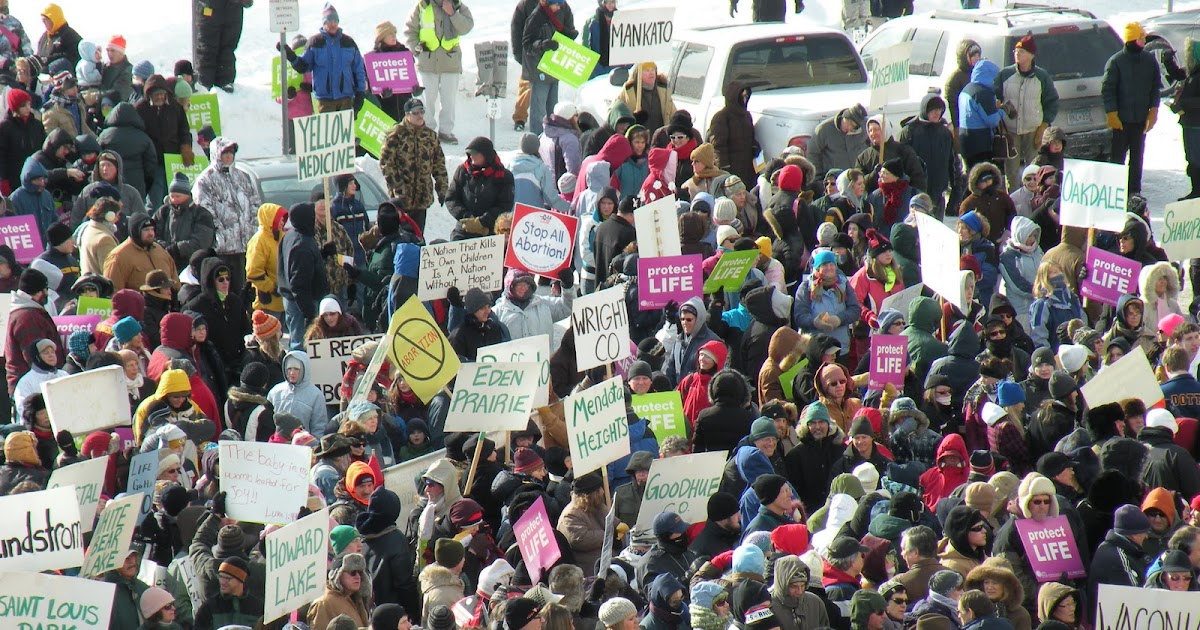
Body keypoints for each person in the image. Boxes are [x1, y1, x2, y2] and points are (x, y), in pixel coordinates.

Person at [192, 137, 260, 290]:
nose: (229, 156)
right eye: (224, 152)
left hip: (246, 245)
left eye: (231, 152)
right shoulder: (205, 180)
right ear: (216, 154)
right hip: (222, 248)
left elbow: (255, 204)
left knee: (246, 288)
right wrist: (221, 234)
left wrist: (252, 229)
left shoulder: (243, 177)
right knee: (226, 288)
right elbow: (205, 212)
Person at [403, 0, 474, 144]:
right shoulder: (422, 6)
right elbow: (410, 31)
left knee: (448, 101)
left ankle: (446, 131)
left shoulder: (457, 5)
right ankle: (426, 130)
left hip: (450, 62)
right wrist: (417, 51)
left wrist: (453, 14)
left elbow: (466, 27)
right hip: (427, 63)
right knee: (427, 100)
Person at [1102, 23, 1162, 194]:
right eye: (1141, 37)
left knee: (1137, 159)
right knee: (1118, 159)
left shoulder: (1149, 60)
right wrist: (1112, 113)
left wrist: (1153, 109)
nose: (1144, 40)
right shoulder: (1116, 62)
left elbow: (1155, 87)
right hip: (1121, 121)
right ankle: (1115, 192)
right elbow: (1108, 90)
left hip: (1141, 120)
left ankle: (1134, 192)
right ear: (1132, 39)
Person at [993, 36, 1059, 190]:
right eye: (1016, 51)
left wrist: (1043, 127)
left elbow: (1052, 102)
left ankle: (1035, 199)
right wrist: (998, 111)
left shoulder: (1041, 76)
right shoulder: (1005, 74)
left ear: (1031, 55)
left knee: (1034, 169)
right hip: (1010, 131)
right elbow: (995, 96)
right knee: (1011, 172)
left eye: (1021, 51)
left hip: (1033, 130)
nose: (1017, 54)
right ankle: (1014, 199)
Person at [379, 98, 448, 234]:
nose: (419, 115)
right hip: (401, 200)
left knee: (418, 236)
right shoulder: (395, 135)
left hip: (422, 197)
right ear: (407, 115)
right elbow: (386, 164)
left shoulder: (430, 136)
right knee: (401, 236)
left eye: (421, 111)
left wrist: (442, 188)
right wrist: (399, 188)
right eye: (415, 112)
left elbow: (439, 164)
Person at [282, 4, 367, 113]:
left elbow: (358, 70)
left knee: (346, 125)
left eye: (335, 21)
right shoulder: (315, 42)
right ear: (324, 23)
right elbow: (303, 66)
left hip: (346, 98)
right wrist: (291, 56)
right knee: (328, 125)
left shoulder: (349, 42)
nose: (333, 24)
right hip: (324, 101)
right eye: (329, 21)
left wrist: (360, 94)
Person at [520, 0, 578, 136]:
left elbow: (565, 32)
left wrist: (570, 35)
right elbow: (527, 43)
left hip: (553, 67)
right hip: (539, 69)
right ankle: (537, 139)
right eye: (556, 4)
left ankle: (552, 139)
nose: (558, 7)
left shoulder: (559, 13)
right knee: (539, 110)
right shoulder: (536, 17)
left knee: (553, 109)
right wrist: (542, 45)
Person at [135, 74, 192, 203]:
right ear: (150, 95)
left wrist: (186, 147)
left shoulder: (175, 107)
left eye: (162, 94)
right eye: (157, 94)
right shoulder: (140, 109)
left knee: (174, 196)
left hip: (174, 159)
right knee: (155, 199)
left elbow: (184, 130)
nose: (160, 97)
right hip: (153, 160)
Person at [278, 203, 327, 349]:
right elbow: (299, 283)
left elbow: (302, 266)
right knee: (301, 345)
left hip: (291, 298)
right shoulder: (302, 245)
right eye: (312, 216)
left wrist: (323, 254)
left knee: (296, 338)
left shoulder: (290, 235)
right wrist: (309, 313)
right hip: (301, 302)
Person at [899, 94, 957, 218]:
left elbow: (952, 162)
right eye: (933, 110)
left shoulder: (945, 133)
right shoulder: (910, 131)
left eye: (939, 109)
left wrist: (956, 188)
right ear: (925, 110)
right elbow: (901, 161)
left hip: (938, 191)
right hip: (916, 192)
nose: (937, 113)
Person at [445, 137, 515, 240]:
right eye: (470, 154)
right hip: (464, 229)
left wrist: (482, 222)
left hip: (491, 232)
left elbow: (505, 204)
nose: (472, 157)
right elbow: (451, 198)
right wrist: (467, 218)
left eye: (475, 154)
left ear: (486, 156)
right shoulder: (462, 171)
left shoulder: (503, 176)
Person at [6, 269, 62, 393]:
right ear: (39, 292)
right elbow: (36, 356)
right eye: (46, 290)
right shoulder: (28, 318)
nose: (47, 294)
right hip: (34, 388)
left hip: (28, 384)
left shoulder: (21, 313)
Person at [154, 173, 215, 271]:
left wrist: (176, 249)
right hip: (164, 262)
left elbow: (201, 242)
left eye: (178, 196)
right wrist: (164, 248)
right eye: (172, 196)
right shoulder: (164, 211)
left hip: (192, 265)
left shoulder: (202, 214)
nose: (174, 200)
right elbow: (152, 233)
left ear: (187, 195)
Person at [104, 214, 179, 292]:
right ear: (135, 231)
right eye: (146, 230)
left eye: (152, 229)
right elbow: (113, 291)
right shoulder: (119, 256)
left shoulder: (159, 250)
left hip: (167, 299)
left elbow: (175, 280)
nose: (151, 233)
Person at [97, 102, 155, 198]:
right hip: (136, 182)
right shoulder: (143, 137)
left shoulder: (104, 135)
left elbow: (97, 156)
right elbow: (151, 164)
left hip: (110, 180)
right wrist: (146, 183)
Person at [856, 115, 927, 194]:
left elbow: (917, 178)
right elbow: (859, 182)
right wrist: (874, 174)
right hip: (876, 199)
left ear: (885, 129)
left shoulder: (904, 151)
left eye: (876, 129)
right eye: (870, 130)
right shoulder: (863, 157)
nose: (873, 133)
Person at [268, 350, 328, 439]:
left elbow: (319, 427)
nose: (292, 373)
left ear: (304, 369)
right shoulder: (275, 392)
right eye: (289, 369)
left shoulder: (316, 395)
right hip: (277, 444)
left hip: (303, 444)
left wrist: (314, 445)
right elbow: (267, 422)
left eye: (296, 369)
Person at [193, 556, 265, 629]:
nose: (222, 582)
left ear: (241, 580)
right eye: (220, 577)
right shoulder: (209, 607)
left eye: (227, 578)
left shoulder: (258, 608)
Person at [193, 0, 251, 91]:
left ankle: (224, 81)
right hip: (210, 9)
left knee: (228, 48)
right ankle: (205, 82)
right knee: (208, 49)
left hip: (233, 10)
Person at [958, 60, 1004, 169]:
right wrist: (1002, 111)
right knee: (982, 174)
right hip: (980, 143)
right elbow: (992, 120)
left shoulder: (967, 88)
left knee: (970, 174)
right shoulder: (983, 93)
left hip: (964, 139)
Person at [0, 89, 45, 195]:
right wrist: (3, 180)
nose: (28, 108)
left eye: (29, 104)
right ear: (15, 107)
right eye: (23, 106)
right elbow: (2, 157)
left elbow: (43, 150)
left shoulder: (36, 125)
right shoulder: (5, 127)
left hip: (35, 177)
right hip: (14, 179)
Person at [615, 62, 677, 134]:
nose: (651, 73)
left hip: (660, 138)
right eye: (647, 70)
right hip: (637, 138)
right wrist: (631, 119)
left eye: (653, 70)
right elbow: (615, 112)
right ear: (639, 74)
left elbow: (674, 115)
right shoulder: (628, 92)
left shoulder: (663, 92)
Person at [809, 104, 868, 176]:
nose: (849, 128)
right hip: (834, 178)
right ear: (843, 117)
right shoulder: (824, 129)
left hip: (858, 177)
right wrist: (817, 177)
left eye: (853, 126)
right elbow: (813, 154)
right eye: (848, 123)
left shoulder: (864, 128)